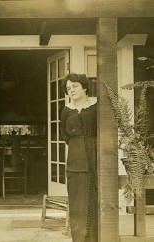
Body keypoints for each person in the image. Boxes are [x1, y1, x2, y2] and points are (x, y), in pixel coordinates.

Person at [60, 73, 97, 242]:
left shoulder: (97, 105)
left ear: (84, 86)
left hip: (96, 159)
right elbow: (64, 134)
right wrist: (78, 146)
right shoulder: (67, 110)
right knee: (77, 203)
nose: (71, 90)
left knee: (95, 199)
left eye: (75, 86)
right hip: (75, 161)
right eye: (68, 88)